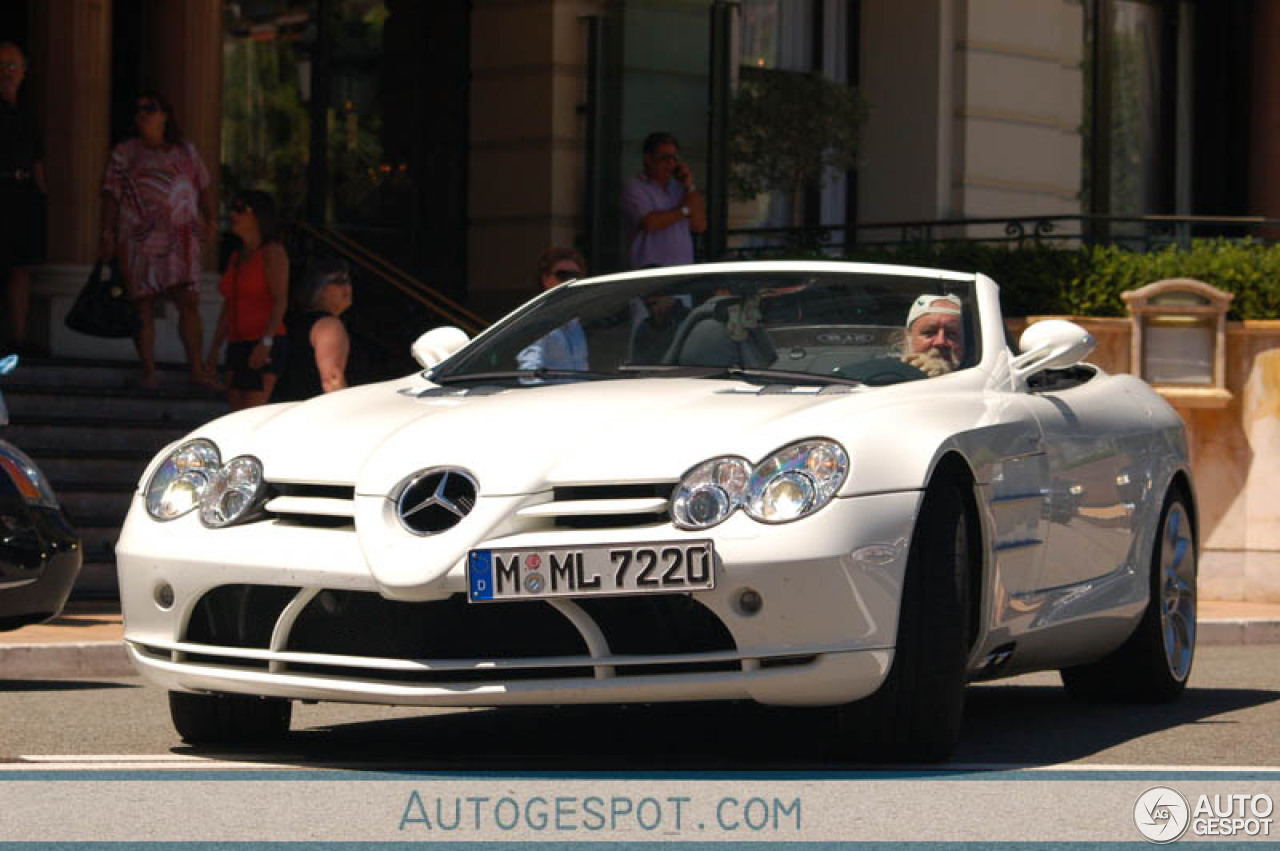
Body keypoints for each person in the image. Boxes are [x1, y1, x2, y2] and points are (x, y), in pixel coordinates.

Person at [100, 90, 215, 389]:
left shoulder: (186, 151)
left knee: (188, 301)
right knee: (143, 303)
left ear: (165, 114)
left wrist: (211, 219)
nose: (143, 114)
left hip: (180, 237)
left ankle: (197, 370)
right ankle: (149, 371)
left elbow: (204, 186)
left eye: (150, 108)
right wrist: (108, 232)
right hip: (140, 238)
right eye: (138, 110)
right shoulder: (125, 152)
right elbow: (111, 194)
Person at [206, 190, 289, 410]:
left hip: (264, 342)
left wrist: (266, 343)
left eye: (240, 208)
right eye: (232, 208)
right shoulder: (236, 256)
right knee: (235, 415)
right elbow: (229, 306)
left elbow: (281, 300)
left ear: (258, 215)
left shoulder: (272, 252)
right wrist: (214, 350)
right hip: (237, 343)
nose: (233, 213)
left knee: (251, 415)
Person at [0, 42, 46, 354]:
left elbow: (37, 158)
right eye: (2, 65)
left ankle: (18, 336)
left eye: (13, 65)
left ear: (24, 71)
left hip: (23, 192)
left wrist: (42, 196)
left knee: (21, 266)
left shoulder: (28, 112)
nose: (7, 72)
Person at [620, 131, 707, 270]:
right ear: (648, 158)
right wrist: (684, 210)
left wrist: (690, 186)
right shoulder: (635, 186)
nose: (670, 163)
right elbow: (650, 222)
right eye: (665, 158)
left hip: (681, 270)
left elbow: (700, 225)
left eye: (674, 158)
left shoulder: (680, 187)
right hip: (649, 270)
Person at [270, 260, 353, 402]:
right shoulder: (329, 325)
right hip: (313, 411)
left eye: (348, 280)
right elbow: (332, 379)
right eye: (338, 281)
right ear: (318, 290)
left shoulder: (296, 322)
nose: (347, 287)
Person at [516, 246, 587, 372]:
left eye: (575, 275)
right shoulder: (535, 320)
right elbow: (529, 372)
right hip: (552, 391)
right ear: (545, 279)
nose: (569, 281)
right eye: (562, 275)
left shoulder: (574, 321)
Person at [899, 293, 965, 377]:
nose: (940, 341)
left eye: (951, 334)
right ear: (908, 338)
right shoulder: (889, 375)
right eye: (929, 332)